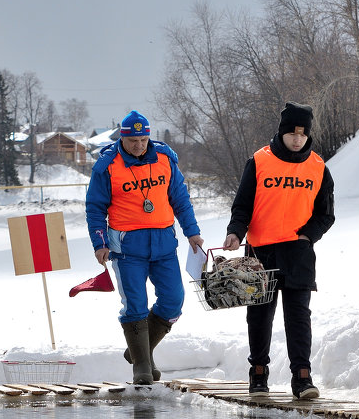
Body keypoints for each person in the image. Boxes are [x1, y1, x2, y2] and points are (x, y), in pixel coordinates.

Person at [222, 102, 335, 400]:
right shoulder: (259, 162)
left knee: (298, 316)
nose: (297, 139)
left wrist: (308, 236)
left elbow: (325, 215)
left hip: (298, 253)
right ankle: (258, 373)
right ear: (282, 132)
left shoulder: (318, 167)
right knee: (259, 316)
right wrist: (235, 232)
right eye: (292, 133)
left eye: (303, 133)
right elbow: (243, 205)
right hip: (261, 253)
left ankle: (302, 377)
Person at [86, 110, 204, 385]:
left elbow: (180, 199)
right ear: (122, 139)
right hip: (128, 248)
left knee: (174, 301)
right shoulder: (108, 165)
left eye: (143, 139)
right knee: (135, 305)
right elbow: (95, 208)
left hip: (164, 244)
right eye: (133, 141)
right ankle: (142, 366)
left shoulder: (165, 159)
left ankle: (140, 350)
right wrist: (99, 243)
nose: (139, 145)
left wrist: (192, 232)